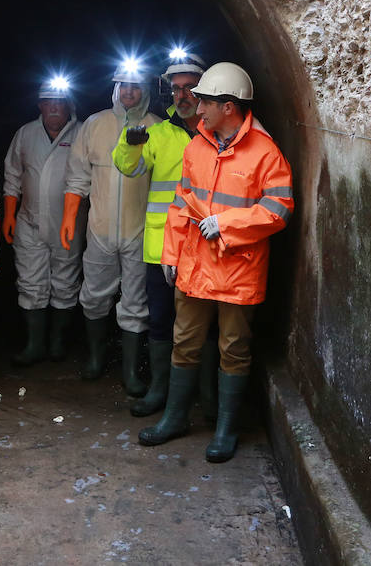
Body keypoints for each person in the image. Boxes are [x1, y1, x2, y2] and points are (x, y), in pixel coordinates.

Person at [138, 62, 294, 463]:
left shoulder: (265, 152)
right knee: (184, 342)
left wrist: (227, 223)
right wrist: (170, 254)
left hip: (238, 269)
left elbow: (279, 209)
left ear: (229, 106)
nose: (197, 107)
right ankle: (174, 418)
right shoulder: (197, 147)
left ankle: (226, 430)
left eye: (205, 101)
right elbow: (180, 205)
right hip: (193, 265)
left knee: (233, 348)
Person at [111, 50, 213, 417]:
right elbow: (127, 167)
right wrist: (130, 141)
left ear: (204, 91)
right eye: (176, 89)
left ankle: (203, 395)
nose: (182, 96)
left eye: (190, 88)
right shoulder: (158, 134)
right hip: (161, 247)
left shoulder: (216, 134)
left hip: (206, 246)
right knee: (160, 321)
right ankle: (159, 389)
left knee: (205, 323)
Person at [60, 58, 160, 391]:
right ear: (115, 87)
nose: (129, 92)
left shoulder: (157, 127)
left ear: (144, 89)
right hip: (100, 230)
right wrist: (69, 217)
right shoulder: (95, 125)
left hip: (139, 231)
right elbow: (77, 177)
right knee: (94, 295)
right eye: (124, 85)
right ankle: (95, 358)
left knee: (135, 300)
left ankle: (130, 372)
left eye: (135, 86)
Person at [2, 76, 87, 365]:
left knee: (65, 282)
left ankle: (57, 343)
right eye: (48, 102)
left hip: (69, 223)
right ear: (40, 104)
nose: (54, 108)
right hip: (29, 222)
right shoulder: (25, 134)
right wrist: (9, 216)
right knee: (30, 283)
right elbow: (12, 176)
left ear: (68, 105)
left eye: (59, 103)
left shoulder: (82, 134)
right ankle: (34, 345)